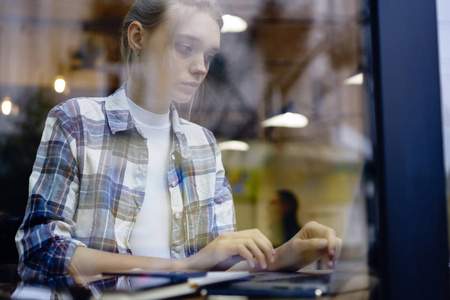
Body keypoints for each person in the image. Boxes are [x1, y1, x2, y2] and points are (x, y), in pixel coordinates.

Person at [15, 0, 340, 287]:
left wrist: (286, 254)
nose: (201, 67)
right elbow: (42, 248)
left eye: (209, 55)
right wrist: (180, 267)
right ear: (138, 37)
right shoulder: (77, 121)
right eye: (185, 47)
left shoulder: (203, 145)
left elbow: (220, 266)